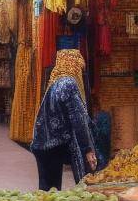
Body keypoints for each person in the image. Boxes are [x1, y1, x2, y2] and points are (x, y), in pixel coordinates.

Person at [31, 49, 97, 191]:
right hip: (53, 146)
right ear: (74, 65)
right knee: (52, 193)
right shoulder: (68, 84)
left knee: (48, 191)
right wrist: (88, 149)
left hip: (42, 145)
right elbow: (78, 119)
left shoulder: (55, 84)